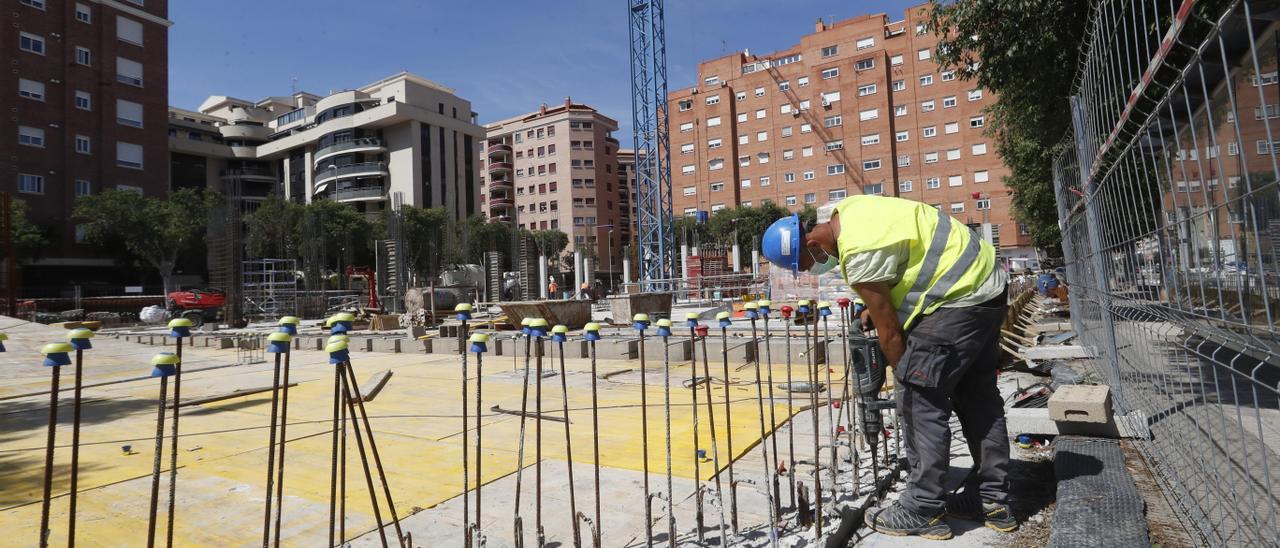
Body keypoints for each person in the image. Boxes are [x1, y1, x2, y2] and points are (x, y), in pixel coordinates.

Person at [760, 195, 1015, 540]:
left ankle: (923, 509)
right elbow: (908, 261)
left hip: (956, 301)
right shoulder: (850, 210)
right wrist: (876, 305)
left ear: (812, 244)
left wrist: (906, 374)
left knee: (917, 399)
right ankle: (994, 503)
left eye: (805, 264)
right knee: (978, 397)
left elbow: (891, 333)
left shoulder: (858, 254)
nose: (810, 271)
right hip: (986, 287)